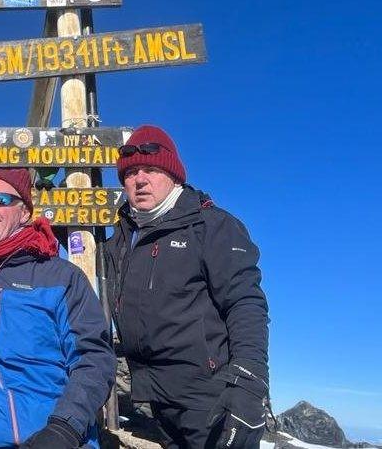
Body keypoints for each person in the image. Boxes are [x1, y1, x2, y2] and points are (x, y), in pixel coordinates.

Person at [105, 125, 270, 449]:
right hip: (155, 399)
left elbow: (245, 303)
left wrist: (249, 381)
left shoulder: (212, 226)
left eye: (151, 169)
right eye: (131, 172)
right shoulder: (125, 234)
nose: (140, 179)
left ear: (173, 174)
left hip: (211, 402)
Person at [0, 167, 117, 449]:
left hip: (59, 436)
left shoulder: (60, 277)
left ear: (25, 212)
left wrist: (64, 429)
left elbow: (94, 358)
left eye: (1, 200)